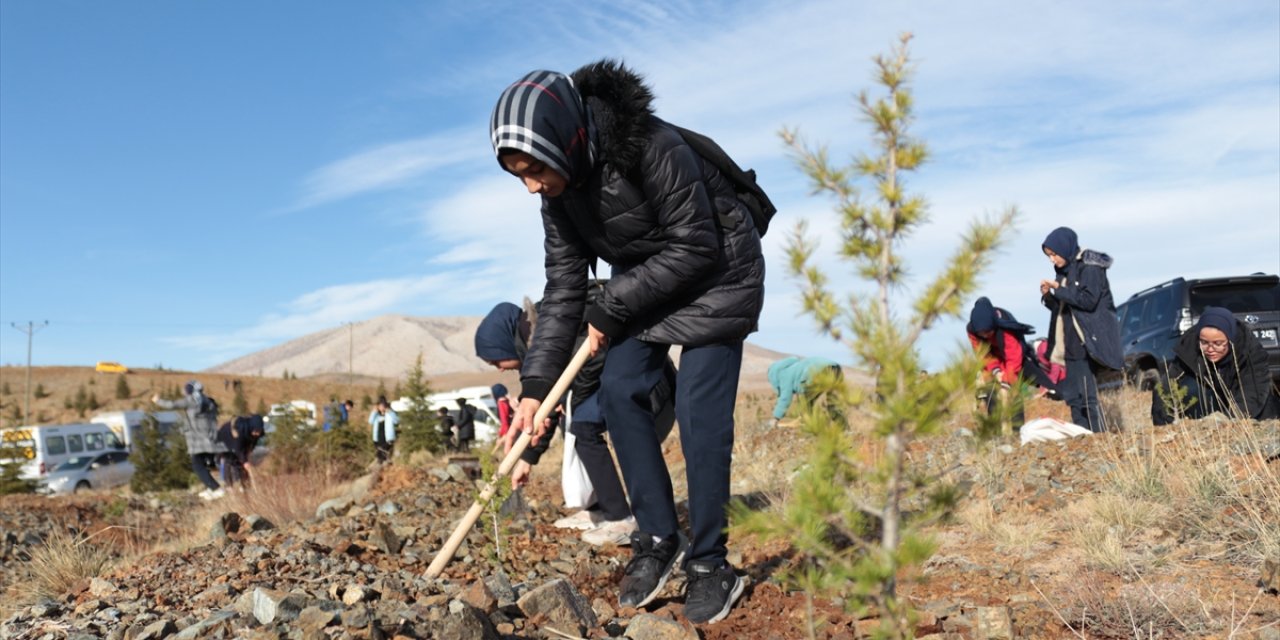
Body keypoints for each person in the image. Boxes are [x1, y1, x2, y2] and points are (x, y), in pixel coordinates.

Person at [490, 60, 764, 624]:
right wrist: (536, 388)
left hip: (717, 275)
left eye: (534, 169)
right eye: (519, 174)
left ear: (563, 140)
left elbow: (696, 245)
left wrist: (612, 304)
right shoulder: (559, 195)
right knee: (618, 393)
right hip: (647, 285)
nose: (532, 185)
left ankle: (712, 564)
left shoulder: (652, 146)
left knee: (698, 415)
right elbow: (564, 289)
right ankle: (659, 539)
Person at [474, 298, 677, 546]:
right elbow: (546, 408)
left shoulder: (551, 327)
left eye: (495, 361)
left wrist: (570, 398)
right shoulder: (535, 347)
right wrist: (527, 459)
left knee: (581, 425)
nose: (499, 370)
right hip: (613, 387)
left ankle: (620, 518)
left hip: (648, 384)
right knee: (571, 419)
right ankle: (598, 507)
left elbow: (595, 356)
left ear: (505, 344)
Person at [1039, 227, 1123, 432]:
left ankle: (1100, 438)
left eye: (1054, 254)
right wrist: (1050, 296)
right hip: (1069, 344)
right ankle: (1082, 437)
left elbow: (1088, 301)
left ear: (1065, 249)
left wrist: (1059, 290)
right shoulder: (1063, 272)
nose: (1052, 260)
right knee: (1074, 397)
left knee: (1088, 396)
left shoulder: (1090, 267)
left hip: (1088, 341)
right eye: (1049, 256)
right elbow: (1061, 309)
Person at [1152, 307, 1279, 425]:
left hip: (1243, 403)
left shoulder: (1250, 350)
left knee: (1266, 403)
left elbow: (1253, 392)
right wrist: (1166, 424)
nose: (1210, 349)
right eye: (1204, 342)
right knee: (1190, 388)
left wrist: (1228, 419)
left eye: (1218, 343)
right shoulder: (1189, 348)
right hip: (1210, 405)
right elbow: (1166, 387)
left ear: (1230, 339)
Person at [966, 297, 1060, 426]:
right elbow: (983, 354)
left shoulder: (1005, 328)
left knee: (1013, 391)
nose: (985, 335)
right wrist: (995, 370)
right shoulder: (972, 330)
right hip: (993, 359)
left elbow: (1013, 358)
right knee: (991, 392)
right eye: (981, 333)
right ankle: (995, 432)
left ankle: (1017, 431)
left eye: (988, 331)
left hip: (1014, 359)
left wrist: (1006, 382)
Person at [152, 380, 227, 500]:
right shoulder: (208, 401)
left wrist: (157, 400)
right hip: (209, 438)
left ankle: (216, 488)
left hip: (197, 440)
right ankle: (210, 488)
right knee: (204, 464)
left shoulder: (191, 400)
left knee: (197, 465)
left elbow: (172, 405)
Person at [766, 356, 841, 426]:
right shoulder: (795, 367)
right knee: (833, 403)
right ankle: (844, 428)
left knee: (805, 403)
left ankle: (808, 424)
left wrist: (776, 418)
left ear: (773, 376)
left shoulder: (784, 375)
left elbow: (785, 398)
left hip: (817, 372)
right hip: (836, 368)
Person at [216, 414, 265, 488]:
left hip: (237, 443)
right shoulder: (240, 431)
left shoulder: (256, 432)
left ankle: (245, 484)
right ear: (251, 427)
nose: (257, 433)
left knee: (242, 461)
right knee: (230, 460)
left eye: (259, 431)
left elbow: (252, 444)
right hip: (225, 440)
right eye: (256, 431)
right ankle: (230, 485)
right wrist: (245, 462)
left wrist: (249, 452)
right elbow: (238, 449)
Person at [368, 396, 397, 463]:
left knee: (385, 454)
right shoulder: (376, 415)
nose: (382, 408)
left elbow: (396, 421)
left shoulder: (390, 413)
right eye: (380, 406)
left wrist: (390, 412)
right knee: (379, 456)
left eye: (383, 406)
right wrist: (374, 412)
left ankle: (386, 467)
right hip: (378, 439)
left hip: (388, 439)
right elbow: (370, 421)